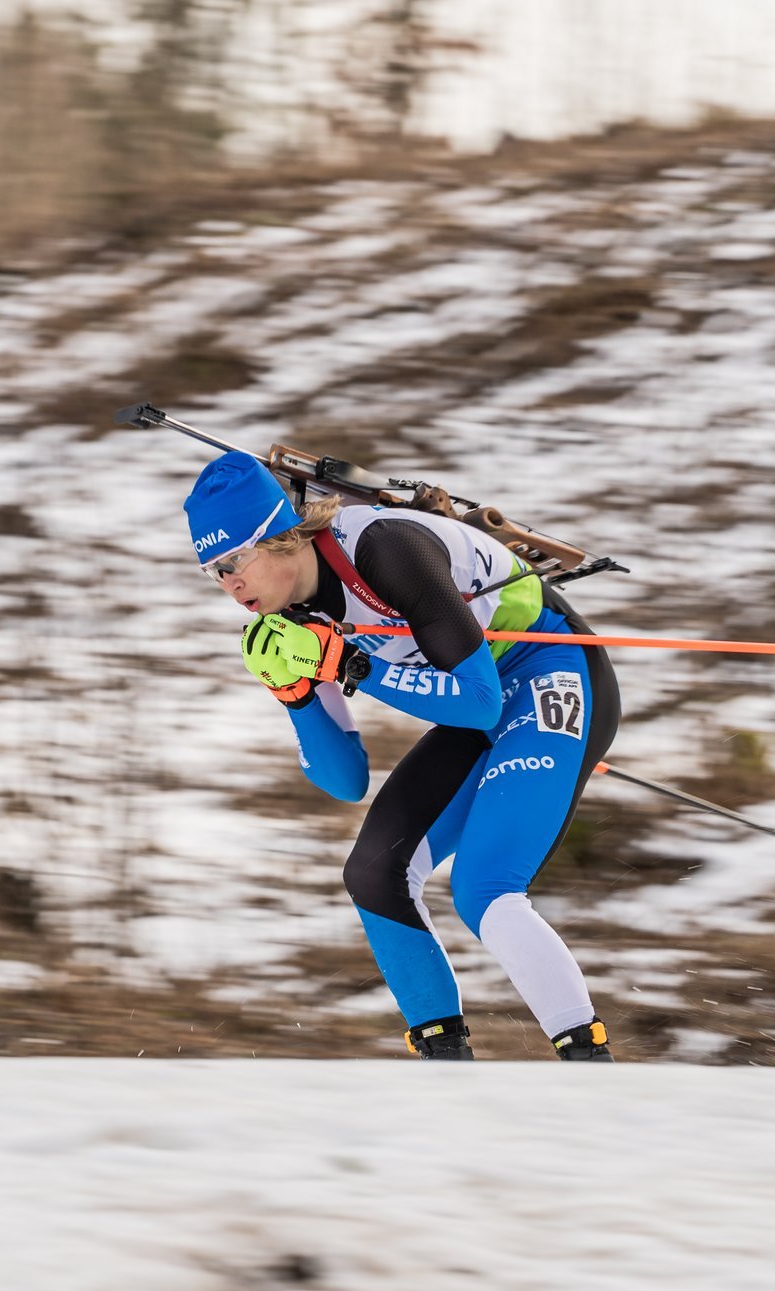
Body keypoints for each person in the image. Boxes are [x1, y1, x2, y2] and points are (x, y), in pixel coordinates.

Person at [184, 450, 621, 1060]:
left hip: (548, 669)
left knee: (484, 887)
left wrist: (352, 666)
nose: (228, 583)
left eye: (234, 561)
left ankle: (590, 1066)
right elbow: (345, 780)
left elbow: (476, 706)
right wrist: (298, 695)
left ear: (282, 538)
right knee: (374, 874)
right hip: (474, 697)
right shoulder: (295, 618)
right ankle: (445, 1067)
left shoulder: (387, 549)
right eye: (212, 571)